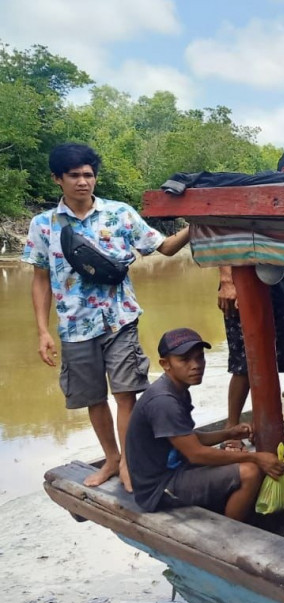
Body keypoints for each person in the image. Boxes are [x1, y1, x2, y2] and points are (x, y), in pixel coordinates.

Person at [23, 142, 193, 493]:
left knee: (126, 393)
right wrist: (42, 331)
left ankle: (130, 464)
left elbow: (165, 247)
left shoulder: (120, 214)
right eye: (74, 176)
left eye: (88, 175)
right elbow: (40, 279)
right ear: (58, 179)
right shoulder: (43, 225)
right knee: (93, 398)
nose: (83, 182)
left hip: (120, 319)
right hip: (73, 325)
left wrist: (200, 222)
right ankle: (111, 459)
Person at [126, 328, 284, 521]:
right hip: (160, 488)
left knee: (239, 460)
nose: (196, 365)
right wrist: (256, 458)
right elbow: (196, 454)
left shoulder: (176, 388)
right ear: (165, 364)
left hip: (175, 469)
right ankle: (231, 535)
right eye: (185, 360)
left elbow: (190, 438)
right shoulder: (164, 401)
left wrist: (229, 433)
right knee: (250, 473)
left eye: (200, 357)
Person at [217, 149, 284, 442]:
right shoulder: (254, 192)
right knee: (243, 364)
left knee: (271, 359)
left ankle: (268, 426)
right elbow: (223, 230)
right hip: (242, 288)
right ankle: (232, 430)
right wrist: (227, 280)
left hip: (279, 288)